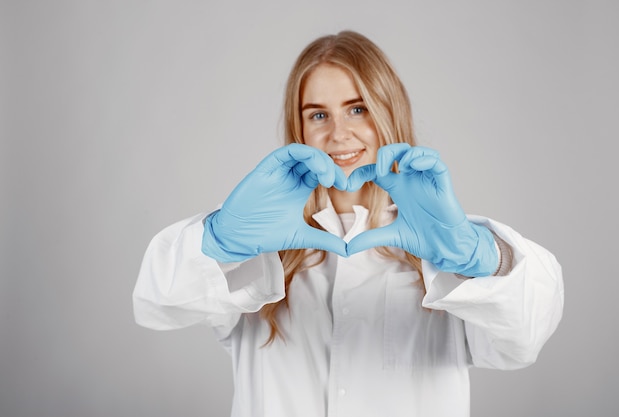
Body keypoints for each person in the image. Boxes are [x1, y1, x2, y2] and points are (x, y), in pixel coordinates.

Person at [133, 30, 564, 417]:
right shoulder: (257, 248)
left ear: (387, 112)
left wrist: (480, 256)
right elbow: (159, 300)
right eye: (318, 114)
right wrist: (220, 239)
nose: (338, 134)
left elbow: (525, 336)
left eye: (357, 109)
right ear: (298, 128)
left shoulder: (444, 248)